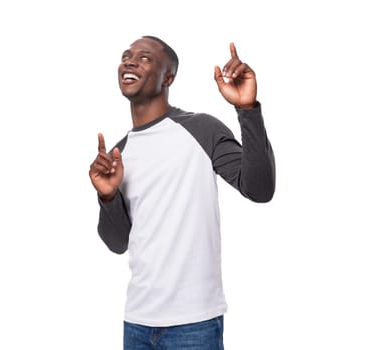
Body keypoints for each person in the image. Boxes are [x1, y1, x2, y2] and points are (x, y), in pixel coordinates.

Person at [89, 35, 276, 350]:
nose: (130, 61)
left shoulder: (202, 130)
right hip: (137, 323)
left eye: (145, 58)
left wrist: (248, 111)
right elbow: (117, 243)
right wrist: (107, 197)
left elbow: (259, 189)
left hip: (194, 324)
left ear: (169, 77)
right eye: (126, 56)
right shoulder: (120, 152)